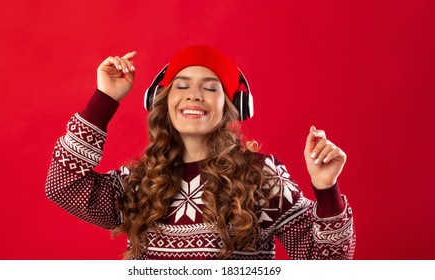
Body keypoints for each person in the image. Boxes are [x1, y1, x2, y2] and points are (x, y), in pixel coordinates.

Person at [45, 45, 355, 260]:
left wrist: (326, 190)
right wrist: (104, 99)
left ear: (230, 107)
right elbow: (63, 186)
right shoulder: (139, 182)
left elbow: (325, 262)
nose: (194, 94)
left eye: (210, 87)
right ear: (163, 101)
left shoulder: (260, 178)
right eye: (182, 86)